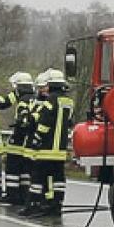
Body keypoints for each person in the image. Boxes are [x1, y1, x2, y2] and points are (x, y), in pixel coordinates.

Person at [21, 69, 73, 218]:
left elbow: (45, 122)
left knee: (38, 177)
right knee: (58, 178)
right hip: (60, 149)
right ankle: (56, 206)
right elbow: (68, 121)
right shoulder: (68, 101)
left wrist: (37, 138)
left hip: (47, 148)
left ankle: (33, 205)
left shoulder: (51, 100)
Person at [2, 72, 36, 205]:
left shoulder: (22, 102)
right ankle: (24, 194)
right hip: (28, 141)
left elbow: (23, 119)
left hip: (19, 140)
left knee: (12, 168)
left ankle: (12, 195)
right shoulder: (34, 98)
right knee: (25, 170)